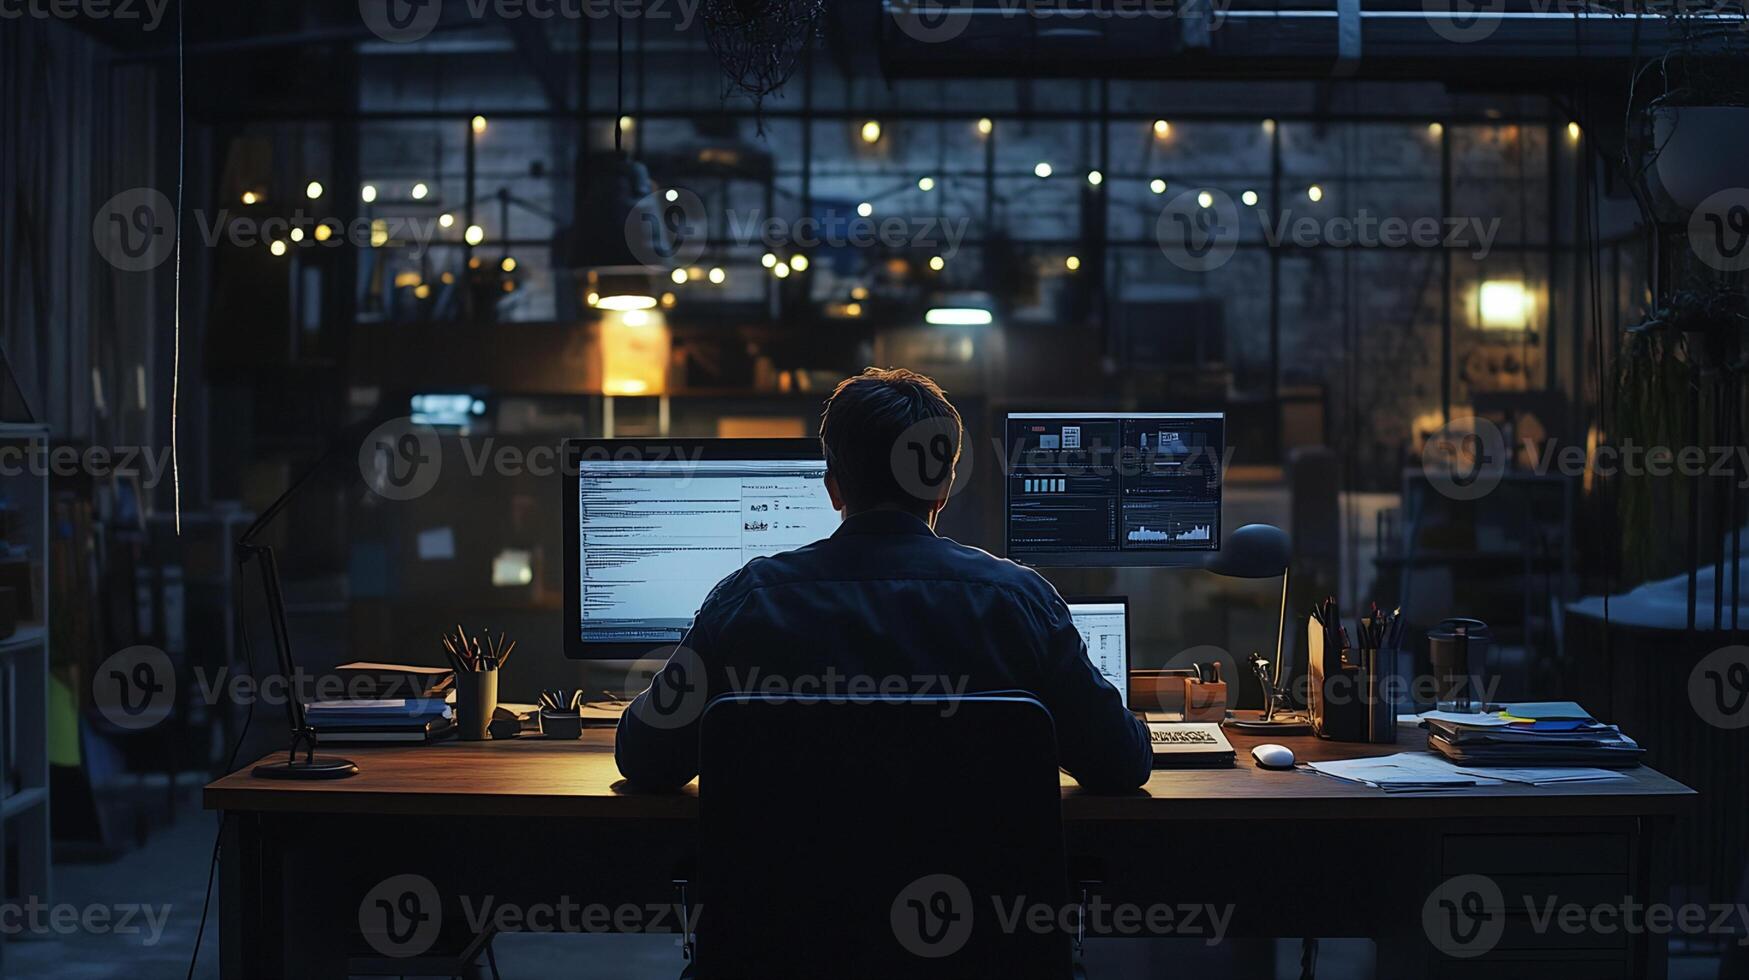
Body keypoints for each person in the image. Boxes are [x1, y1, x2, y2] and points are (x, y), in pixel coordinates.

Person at [614, 367, 1152, 791]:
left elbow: (646, 759)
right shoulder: (1021, 603)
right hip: (981, 922)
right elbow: (1120, 765)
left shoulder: (747, 603)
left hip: (788, 924)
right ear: (942, 487)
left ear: (833, 489)